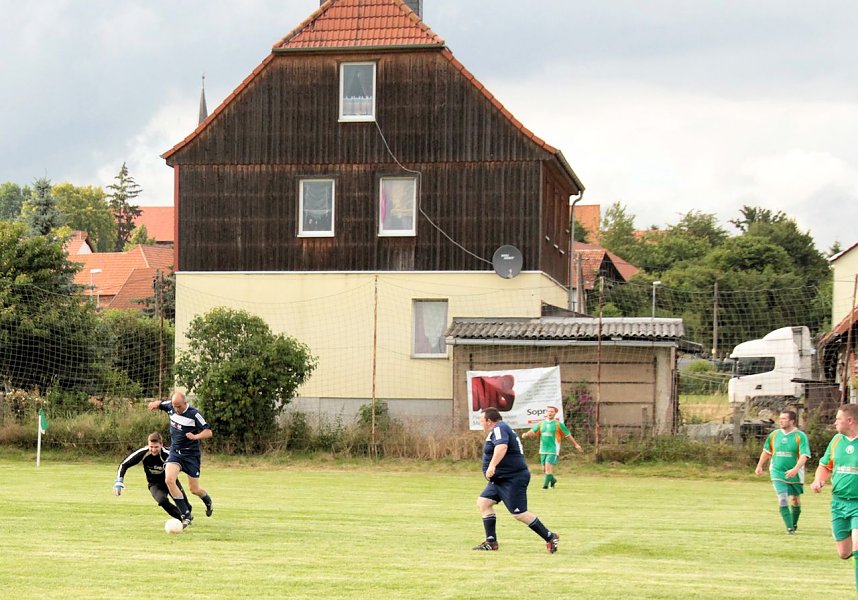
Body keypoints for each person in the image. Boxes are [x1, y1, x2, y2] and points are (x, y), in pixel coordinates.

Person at [473, 407, 560, 553]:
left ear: (489, 421)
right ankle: (491, 542)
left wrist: (492, 466)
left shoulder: (499, 428)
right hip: (500, 479)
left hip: (512, 478)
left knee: (519, 514)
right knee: (484, 503)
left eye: (482, 420)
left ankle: (550, 536)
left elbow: (502, 447)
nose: (481, 423)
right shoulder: (499, 429)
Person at [147, 391, 214, 528]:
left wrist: (195, 437)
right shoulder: (171, 406)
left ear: (185, 403)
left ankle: (207, 500)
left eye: (179, 406)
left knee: (194, 489)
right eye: (174, 406)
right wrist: (154, 404)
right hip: (175, 453)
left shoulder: (194, 414)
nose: (176, 409)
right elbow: (161, 404)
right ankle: (185, 514)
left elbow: (208, 432)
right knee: (169, 480)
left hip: (191, 456)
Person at [811, 404, 858, 595]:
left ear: (850, 421)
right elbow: (825, 466)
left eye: (838, 419)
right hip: (838, 502)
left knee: (857, 545)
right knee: (844, 553)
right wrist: (818, 480)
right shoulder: (837, 440)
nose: (835, 423)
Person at [113, 432, 193, 520]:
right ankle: (182, 518)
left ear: (161, 445)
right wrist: (119, 482)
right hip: (154, 484)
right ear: (148, 445)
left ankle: (186, 515)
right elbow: (124, 464)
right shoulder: (144, 453)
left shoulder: (169, 454)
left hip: (171, 482)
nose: (153, 450)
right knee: (162, 500)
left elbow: (185, 464)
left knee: (187, 508)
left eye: (156, 447)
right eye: (151, 447)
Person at [754, 410, 810, 534]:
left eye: (784, 419)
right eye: (780, 418)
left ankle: (793, 523)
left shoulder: (800, 436)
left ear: (792, 421)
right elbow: (767, 451)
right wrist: (759, 466)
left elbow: (804, 455)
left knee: (795, 500)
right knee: (783, 498)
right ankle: (790, 528)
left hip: (795, 474)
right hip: (777, 472)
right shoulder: (774, 435)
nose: (780, 421)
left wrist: (795, 469)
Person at [522, 403, 583, 489]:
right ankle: (553, 480)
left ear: (555, 413)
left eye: (552, 411)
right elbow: (533, 431)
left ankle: (545, 486)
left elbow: (568, 435)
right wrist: (526, 434)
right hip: (543, 449)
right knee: (544, 469)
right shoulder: (541, 423)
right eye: (548, 411)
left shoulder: (558, 424)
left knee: (548, 467)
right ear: (546, 413)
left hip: (553, 449)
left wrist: (576, 445)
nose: (550, 413)